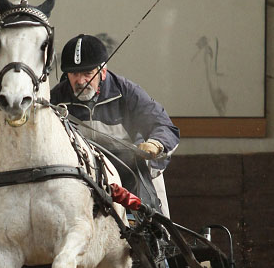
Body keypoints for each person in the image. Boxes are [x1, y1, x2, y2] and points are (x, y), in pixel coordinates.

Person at [51, 33, 180, 216]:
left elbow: (164, 126)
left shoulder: (126, 92)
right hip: (84, 175)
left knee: (154, 225)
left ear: (102, 72)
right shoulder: (56, 99)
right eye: (74, 74)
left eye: (88, 73)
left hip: (131, 171)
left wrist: (156, 144)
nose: (80, 81)